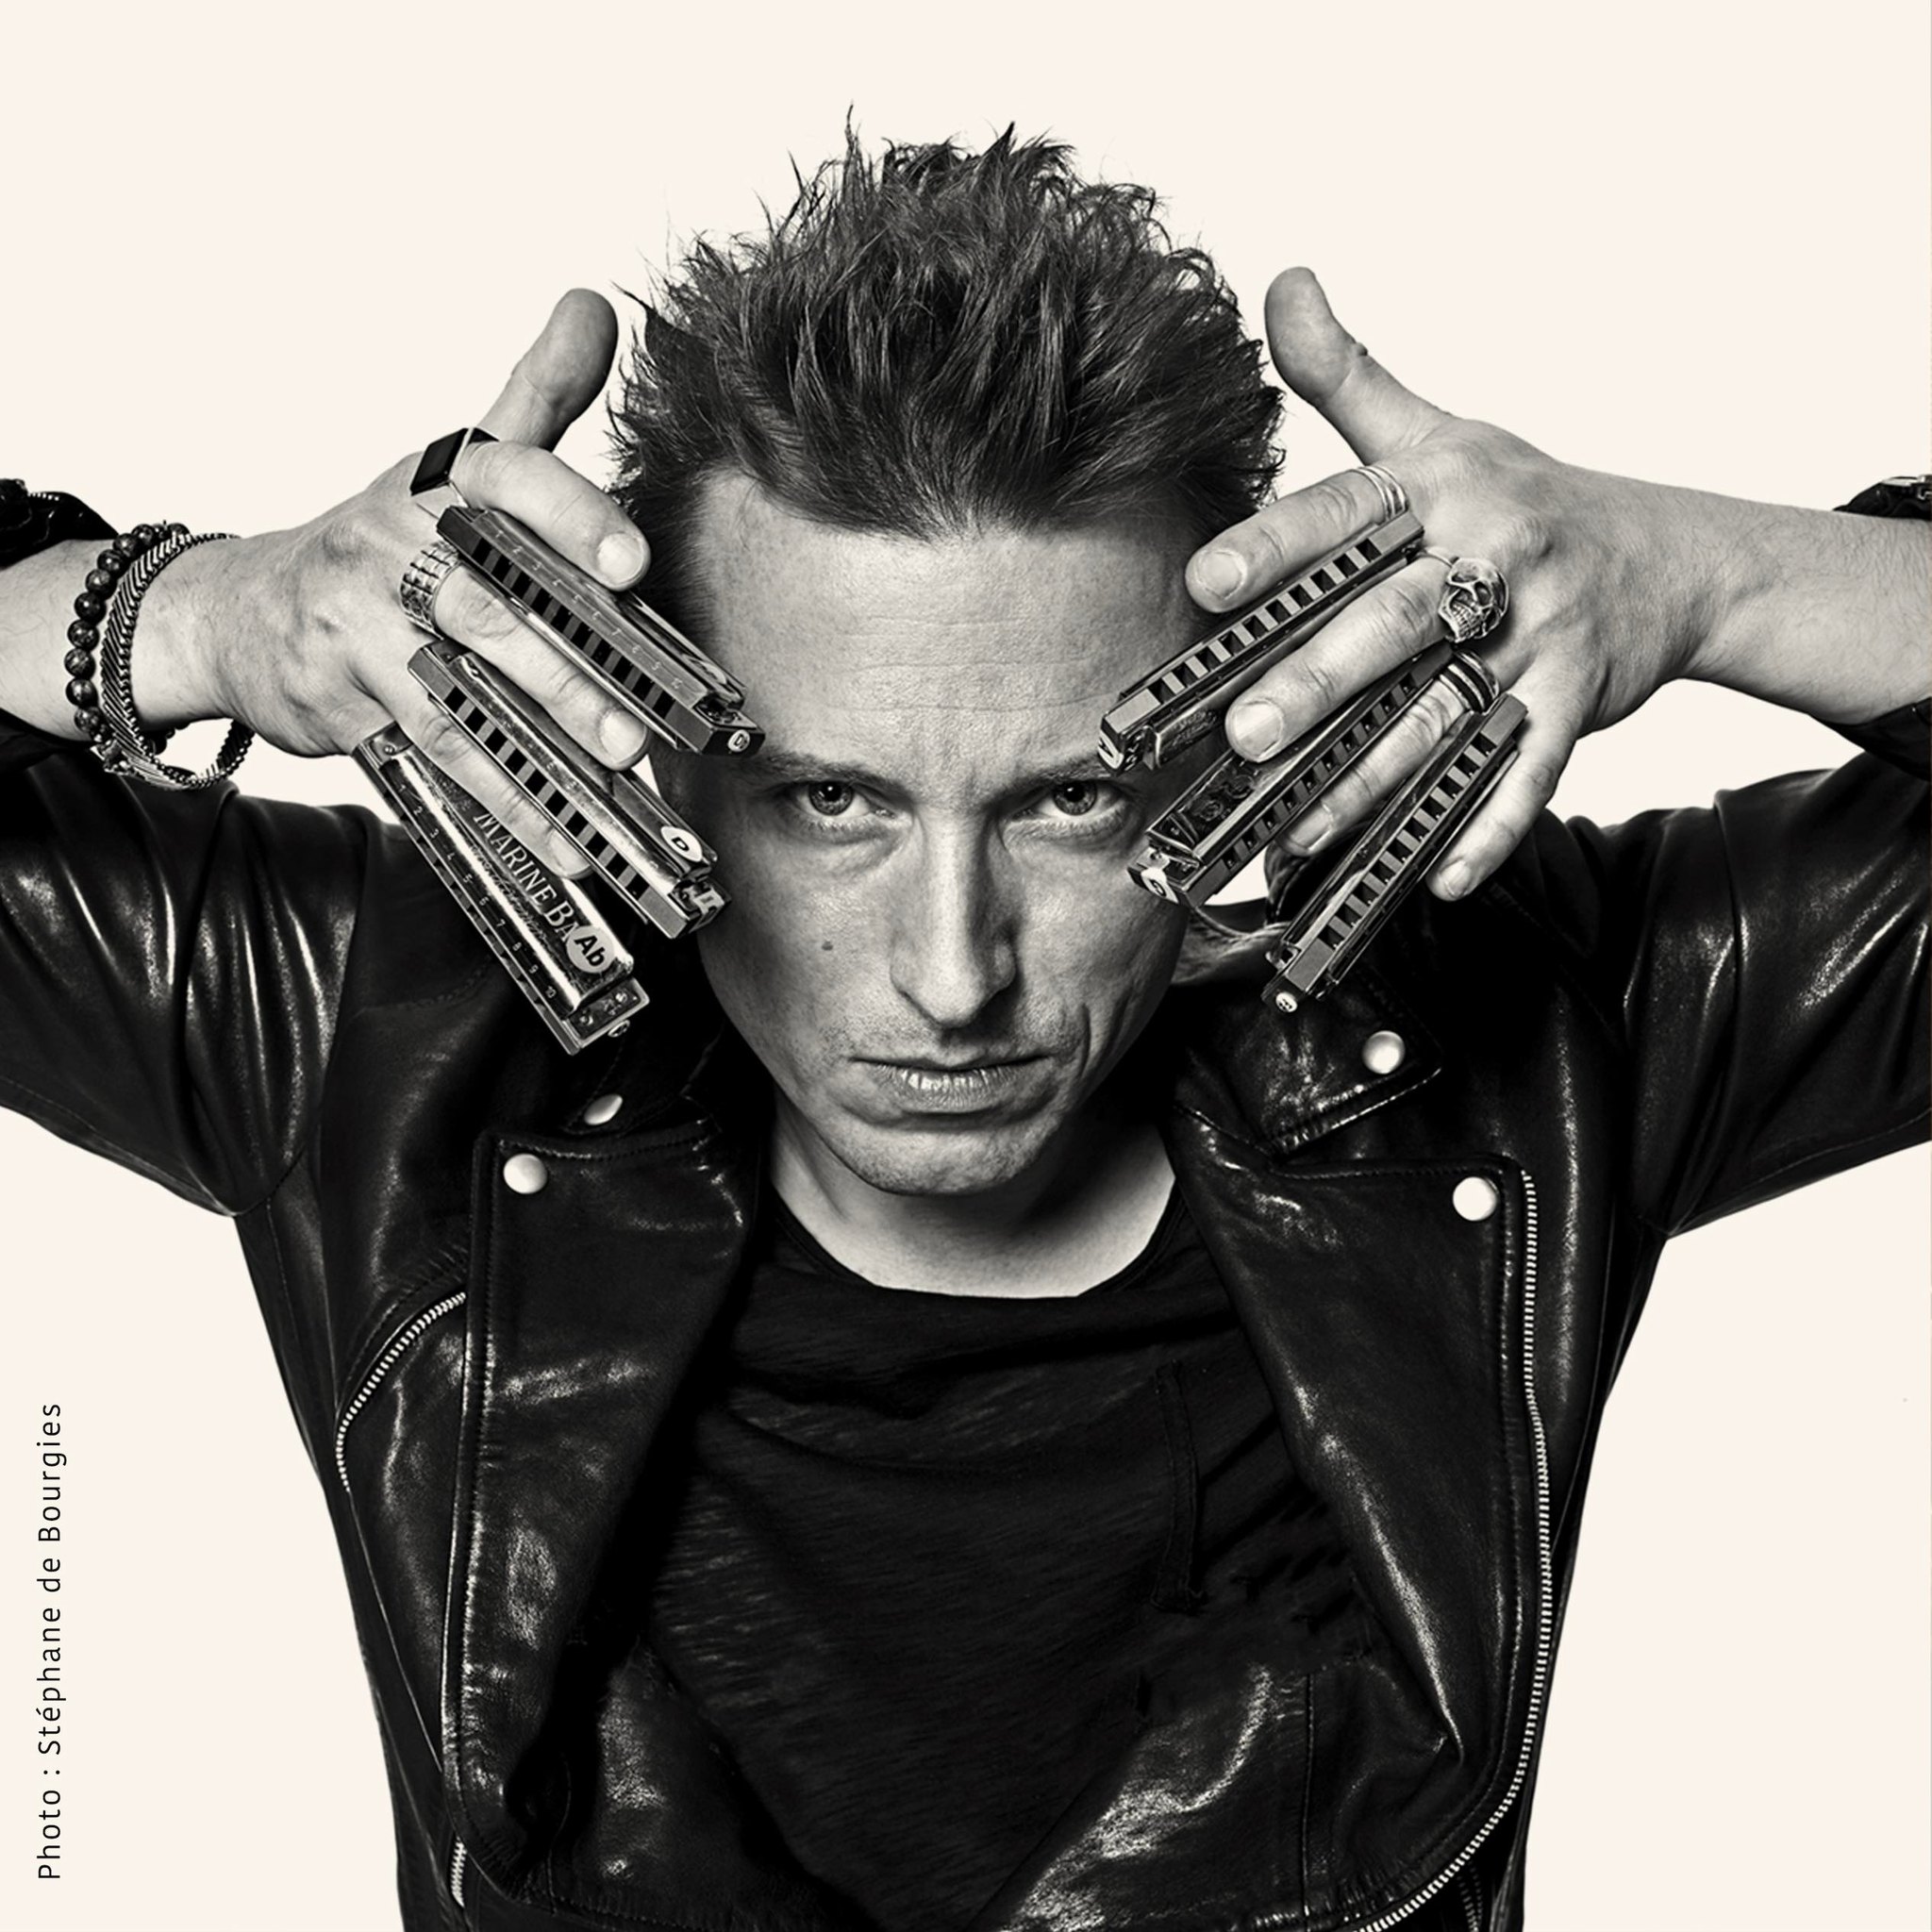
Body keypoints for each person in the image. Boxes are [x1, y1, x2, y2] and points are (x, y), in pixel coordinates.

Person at [0, 134, 1924, 1932]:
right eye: (830, 801)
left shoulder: (1511, 1055)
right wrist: (194, 618)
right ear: (653, 744)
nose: (951, 974)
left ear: (1241, 726)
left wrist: (1704, 572)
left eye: (1072, 800)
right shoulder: (385, 1035)